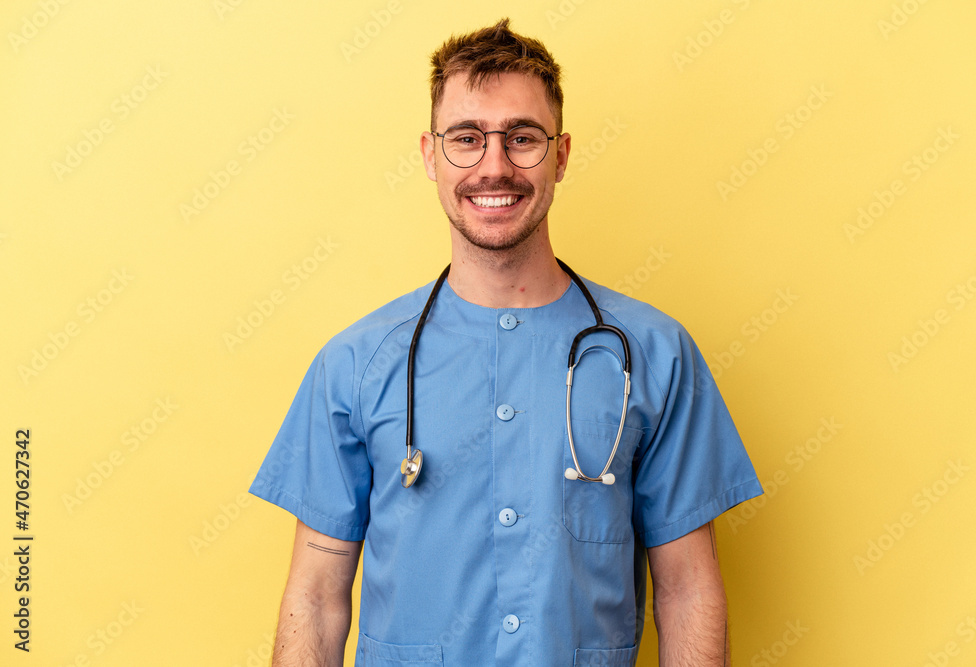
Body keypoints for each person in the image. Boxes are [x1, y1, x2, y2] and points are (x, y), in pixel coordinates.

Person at [250, 18, 763, 667]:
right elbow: (317, 595)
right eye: (467, 138)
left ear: (563, 153)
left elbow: (689, 588)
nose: (495, 166)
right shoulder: (354, 364)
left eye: (522, 138)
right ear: (431, 154)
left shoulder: (654, 355)